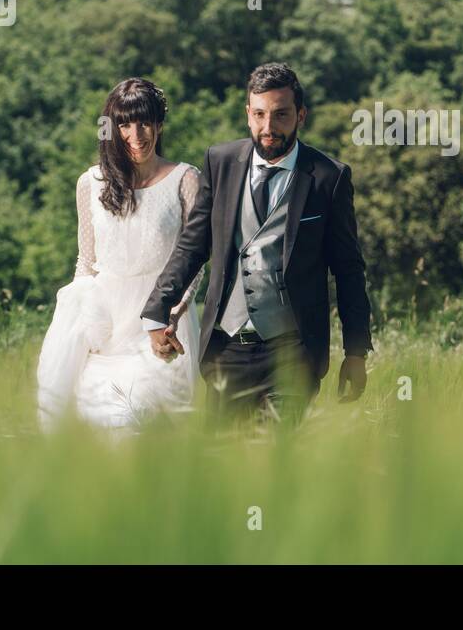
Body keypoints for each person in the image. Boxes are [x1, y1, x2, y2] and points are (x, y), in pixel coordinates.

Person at [141, 62, 372, 425]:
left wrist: (356, 352)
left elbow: (348, 270)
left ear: (301, 115)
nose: (269, 128)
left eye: (281, 115)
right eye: (260, 115)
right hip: (226, 346)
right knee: (223, 464)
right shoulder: (221, 162)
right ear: (248, 114)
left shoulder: (329, 177)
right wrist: (157, 310)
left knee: (275, 461)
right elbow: (193, 245)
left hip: (293, 350)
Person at [36, 78, 205, 430]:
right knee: (91, 420)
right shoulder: (90, 183)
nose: (136, 134)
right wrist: (85, 318)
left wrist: (172, 314)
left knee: (138, 418)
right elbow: (85, 260)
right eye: (125, 124)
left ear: (159, 124)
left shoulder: (186, 179)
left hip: (159, 320)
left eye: (145, 122)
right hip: (105, 327)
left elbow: (196, 260)